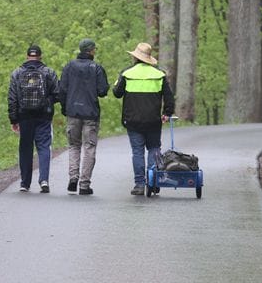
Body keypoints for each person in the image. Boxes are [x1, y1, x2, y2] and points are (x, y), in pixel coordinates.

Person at [113, 42, 175, 195]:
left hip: (132, 121)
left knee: (137, 152)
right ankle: (153, 182)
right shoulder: (159, 75)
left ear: (135, 57)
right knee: (154, 149)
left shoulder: (127, 73)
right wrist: (167, 113)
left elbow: (117, 93)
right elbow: (169, 98)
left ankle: (139, 184)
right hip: (153, 121)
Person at [59, 38, 109, 195]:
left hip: (72, 112)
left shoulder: (69, 66)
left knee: (74, 145)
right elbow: (102, 91)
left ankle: (73, 178)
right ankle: (84, 184)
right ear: (91, 50)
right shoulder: (96, 68)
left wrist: (64, 107)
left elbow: (62, 89)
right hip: (91, 113)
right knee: (89, 147)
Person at [8, 45, 59, 193]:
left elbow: (12, 98)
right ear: (40, 56)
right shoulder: (49, 72)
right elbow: (58, 93)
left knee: (25, 148)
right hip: (43, 116)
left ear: (27, 56)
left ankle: (25, 183)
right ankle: (44, 180)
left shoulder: (17, 73)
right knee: (44, 147)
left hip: (24, 116)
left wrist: (13, 119)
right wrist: (47, 103)